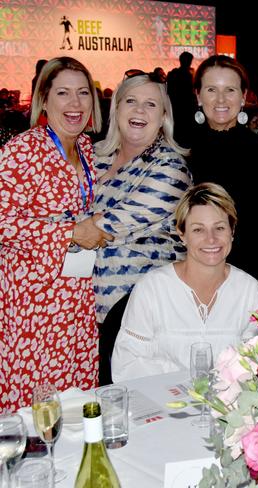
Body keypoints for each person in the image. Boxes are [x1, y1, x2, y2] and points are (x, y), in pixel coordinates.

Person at [0, 57, 109, 412]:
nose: (75, 104)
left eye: (82, 93)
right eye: (63, 93)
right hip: (31, 305)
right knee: (33, 408)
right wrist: (71, 232)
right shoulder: (23, 151)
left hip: (75, 299)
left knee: (74, 402)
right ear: (43, 100)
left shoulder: (87, 151)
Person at [111, 183, 258, 381]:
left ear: (232, 231)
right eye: (198, 230)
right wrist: (184, 381)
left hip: (227, 407)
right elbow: (125, 365)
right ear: (181, 234)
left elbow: (256, 365)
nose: (211, 239)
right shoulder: (152, 288)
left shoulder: (250, 291)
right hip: (163, 403)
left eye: (219, 228)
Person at [92, 71, 192, 324]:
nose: (140, 110)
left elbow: (107, 227)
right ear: (116, 109)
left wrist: (55, 233)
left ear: (163, 117)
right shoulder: (93, 156)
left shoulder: (171, 168)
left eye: (151, 104)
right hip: (85, 314)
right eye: (131, 101)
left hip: (145, 315)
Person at [190, 55, 258, 311]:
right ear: (198, 95)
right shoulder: (182, 150)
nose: (221, 100)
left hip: (251, 279)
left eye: (229, 90)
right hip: (191, 279)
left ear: (243, 97)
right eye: (211, 90)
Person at [166, 51, 196, 148]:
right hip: (185, 110)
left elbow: (169, 92)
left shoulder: (173, 74)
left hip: (176, 109)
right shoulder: (188, 76)